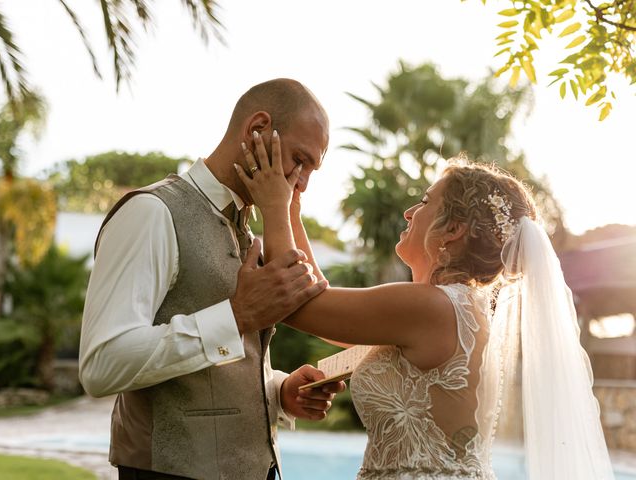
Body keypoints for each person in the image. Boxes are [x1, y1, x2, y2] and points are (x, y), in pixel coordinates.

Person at [235, 132, 615, 479]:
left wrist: (273, 206)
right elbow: (319, 296)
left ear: (453, 230)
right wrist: (293, 212)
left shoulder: (431, 307)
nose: (409, 212)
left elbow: (301, 304)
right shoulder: (458, 308)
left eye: (425, 202)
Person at [78, 78, 345, 480]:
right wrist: (237, 315)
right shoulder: (151, 212)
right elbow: (102, 364)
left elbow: (216, 369)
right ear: (257, 130)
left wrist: (280, 391)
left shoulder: (247, 229)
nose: (302, 184)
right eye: (299, 160)